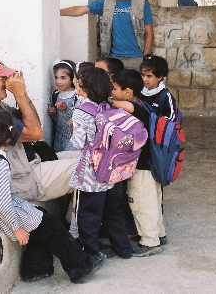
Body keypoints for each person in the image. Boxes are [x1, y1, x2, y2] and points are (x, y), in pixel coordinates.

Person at [0, 108, 106, 284]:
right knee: (51, 225)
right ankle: (81, 266)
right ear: (10, 135)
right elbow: (1, 203)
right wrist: (16, 228)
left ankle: (35, 268)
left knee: (41, 219)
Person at [0, 56, 78, 202]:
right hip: (22, 181)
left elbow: (34, 123)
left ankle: (73, 219)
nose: (6, 82)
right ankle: (78, 223)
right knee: (89, 167)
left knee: (90, 158)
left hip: (31, 166)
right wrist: (19, 94)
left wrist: (22, 94)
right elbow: (36, 133)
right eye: (2, 77)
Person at [69, 67, 132, 259]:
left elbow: (78, 143)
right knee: (112, 210)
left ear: (86, 87)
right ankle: (123, 249)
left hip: (90, 171)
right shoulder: (107, 107)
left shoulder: (81, 111)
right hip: (110, 168)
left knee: (87, 213)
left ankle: (91, 251)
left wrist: (73, 127)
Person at [109, 69, 167, 257]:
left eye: (115, 89)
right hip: (151, 164)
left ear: (127, 92)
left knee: (141, 203)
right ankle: (159, 233)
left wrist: (108, 101)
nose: (112, 92)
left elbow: (125, 106)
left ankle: (150, 242)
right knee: (153, 202)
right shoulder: (145, 104)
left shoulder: (136, 107)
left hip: (142, 167)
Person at [60, 0, 154, 70]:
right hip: (113, 59)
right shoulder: (106, 2)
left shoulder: (141, 2)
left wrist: (145, 59)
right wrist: (57, 12)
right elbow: (80, 10)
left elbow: (149, 33)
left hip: (136, 59)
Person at [48, 60, 77, 152]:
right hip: (58, 137)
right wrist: (53, 114)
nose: (58, 82)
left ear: (72, 78)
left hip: (73, 139)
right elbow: (57, 120)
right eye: (56, 77)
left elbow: (78, 119)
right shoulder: (55, 95)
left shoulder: (77, 95)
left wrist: (66, 110)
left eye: (63, 78)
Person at [139, 55, 176, 120]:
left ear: (160, 77)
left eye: (149, 76)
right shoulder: (139, 91)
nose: (144, 79)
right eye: (143, 75)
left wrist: (153, 121)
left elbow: (171, 117)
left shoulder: (165, 96)